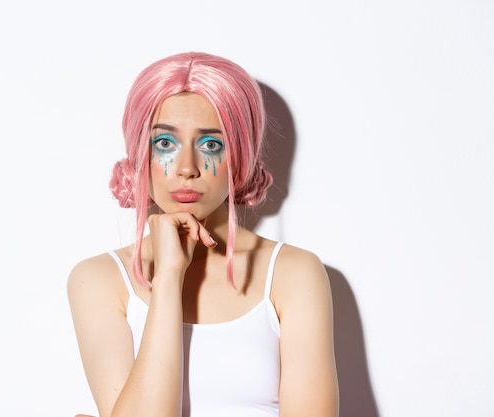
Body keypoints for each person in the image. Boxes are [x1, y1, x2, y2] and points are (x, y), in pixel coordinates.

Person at [67, 51, 338, 417]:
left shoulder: (293, 273)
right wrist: (168, 278)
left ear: (240, 155)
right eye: (164, 144)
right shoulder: (99, 280)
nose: (187, 169)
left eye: (211, 144)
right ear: (139, 155)